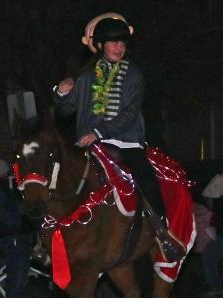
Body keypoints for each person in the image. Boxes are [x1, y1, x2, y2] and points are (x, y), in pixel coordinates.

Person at [53, 12, 185, 262]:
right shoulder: (86, 76)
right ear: (101, 46)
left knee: (146, 178)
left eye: (122, 43)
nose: (119, 48)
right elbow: (66, 109)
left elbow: (130, 112)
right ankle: (49, 232)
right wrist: (61, 92)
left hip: (125, 142)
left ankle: (162, 232)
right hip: (90, 144)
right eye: (114, 43)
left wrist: (99, 132)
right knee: (59, 175)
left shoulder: (134, 75)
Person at [0, 158, 46, 298]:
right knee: (16, 276)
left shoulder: (4, 187)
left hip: (18, 235)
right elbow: (3, 214)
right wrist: (19, 220)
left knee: (21, 277)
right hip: (13, 236)